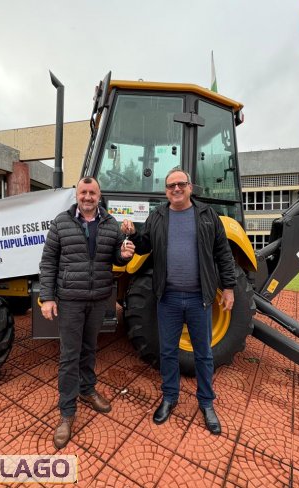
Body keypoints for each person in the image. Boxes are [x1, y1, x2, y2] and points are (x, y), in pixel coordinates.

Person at [121, 168, 235, 435]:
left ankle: (206, 403)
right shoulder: (158, 216)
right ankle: (170, 397)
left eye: (181, 184)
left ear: (190, 187)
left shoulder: (207, 215)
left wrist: (229, 287)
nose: (176, 189)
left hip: (199, 299)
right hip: (168, 298)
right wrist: (133, 234)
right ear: (166, 191)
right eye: (171, 185)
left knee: (203, 354)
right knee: (168, 352)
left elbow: (223, 253)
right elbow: (145, 245)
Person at [39, 176, 135, 449]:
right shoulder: (61, 222)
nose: (88, 197)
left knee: (90, 349)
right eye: (84, 192)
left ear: (99, 196)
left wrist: (124, 254)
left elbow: (116, 257)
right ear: (77, 195)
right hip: (70, 300)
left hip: (98, 299)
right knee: (69, 356)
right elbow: (48, 262)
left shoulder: (110, 223)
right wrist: (47, 298)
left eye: (92, 193)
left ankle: (87, 389)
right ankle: (67, 412)